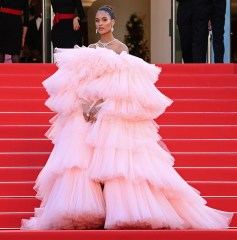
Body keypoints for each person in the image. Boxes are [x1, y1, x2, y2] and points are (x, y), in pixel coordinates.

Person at [21, 5, 233, 230]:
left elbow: (121, 88)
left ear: (113, 22)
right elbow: (80, 83)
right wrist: (85, 106)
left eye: (104, 20)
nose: (100, 24)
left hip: (111, 111)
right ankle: (83, 207)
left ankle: (120, 209)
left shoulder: (121, 49)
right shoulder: (90, 49)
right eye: (97, 21)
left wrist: (100, 107)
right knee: (77, 146)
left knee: (116, 160)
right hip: (88, 110)